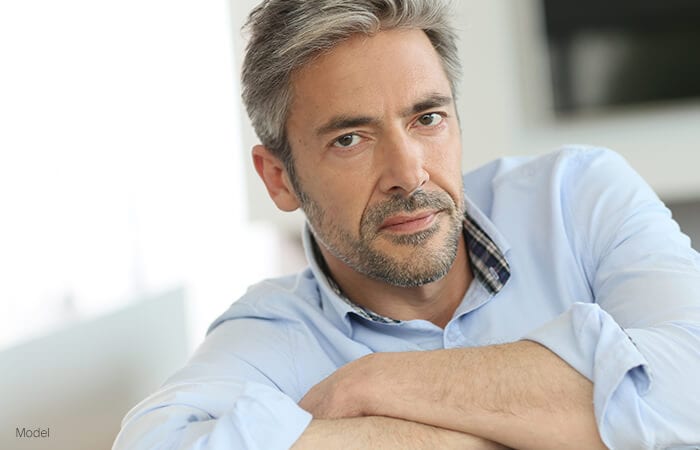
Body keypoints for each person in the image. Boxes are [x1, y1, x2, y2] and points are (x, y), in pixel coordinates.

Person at [113, 1, 700, 449]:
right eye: (350, 138)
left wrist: (374, 385)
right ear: (279, 180)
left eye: (427, 118)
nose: (408, 172)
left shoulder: (577, 197)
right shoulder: (272, 333)